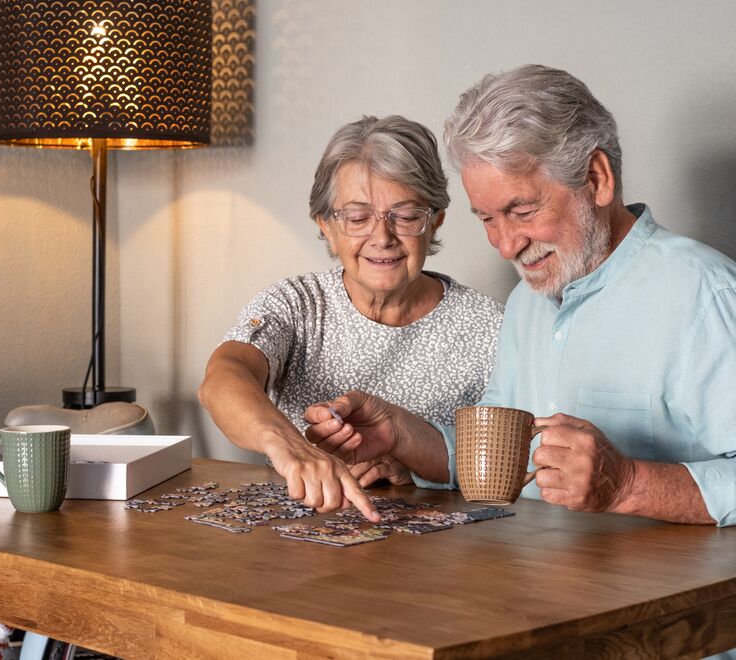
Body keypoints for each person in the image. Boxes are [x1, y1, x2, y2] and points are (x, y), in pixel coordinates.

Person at [306, 65, 736, 530]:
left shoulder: (704, 295)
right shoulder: (527, 301)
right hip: (531, 588)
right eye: (488, 219)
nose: (506, 245)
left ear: (596, 179)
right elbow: (498, 463)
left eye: (522, 210)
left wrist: (629, 483)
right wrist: (399, 436)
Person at [198, 115, 504, 521]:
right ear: (325, 225)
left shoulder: (492, 325)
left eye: (406, 215)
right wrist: (294, 449)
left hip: (445, 561)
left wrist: (412, 471)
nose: (382, 237)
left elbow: (513, 470)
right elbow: (222, 378)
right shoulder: (295, 303)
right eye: (357, 218)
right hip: (295, 548)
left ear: (436, 221)